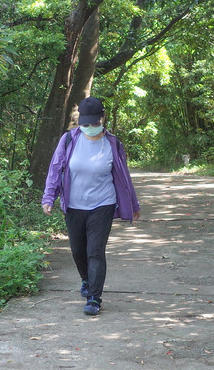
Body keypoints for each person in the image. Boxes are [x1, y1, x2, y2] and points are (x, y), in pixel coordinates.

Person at [41, 97, 141, 315]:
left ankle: (95, 298)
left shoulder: (113, 143)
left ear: (102, 119)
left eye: (94, 123)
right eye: (85, 124)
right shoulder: (69, 140)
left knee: (95, 251)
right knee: (78, 251)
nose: (90, 128)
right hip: (75, 205)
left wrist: (133, 204)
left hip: (103, 204)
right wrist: (49, 197)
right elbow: (55, 169)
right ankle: (86, 280)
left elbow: (124, 177)